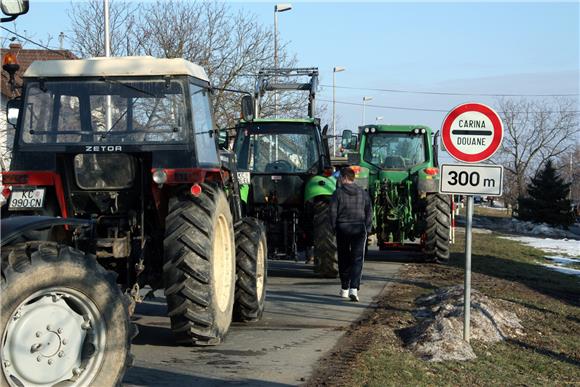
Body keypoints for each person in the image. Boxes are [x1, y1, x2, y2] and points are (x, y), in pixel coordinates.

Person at [329, 167, 372, 302]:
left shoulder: (337, 193)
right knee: (357, 259)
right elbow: (369, 212)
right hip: (359, 228)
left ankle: (344, 289)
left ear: (344, 178)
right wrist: (368, 228)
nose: (340, 180)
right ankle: (354, 288)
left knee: (343, 258)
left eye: (341, 177)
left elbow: (332, 212)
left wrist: (334, 227)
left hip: (342, 228)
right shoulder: (363, 193)